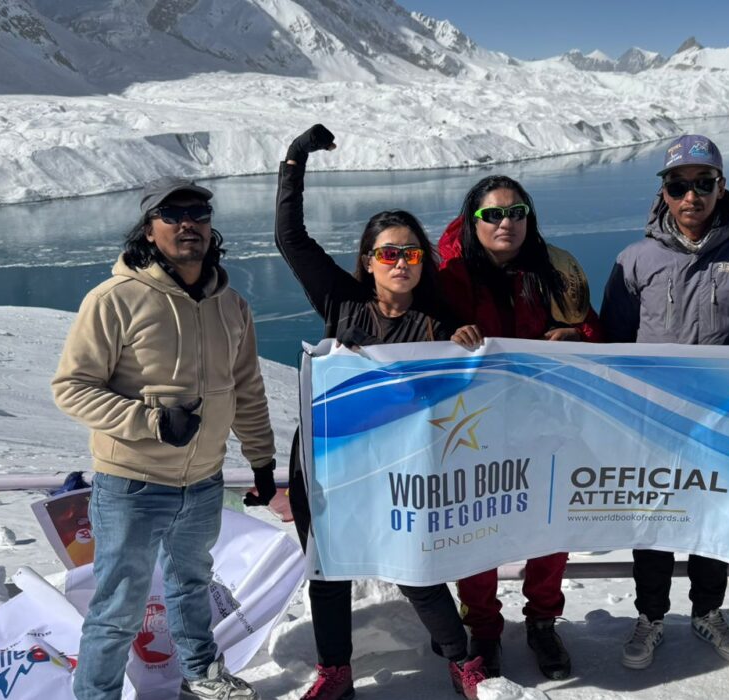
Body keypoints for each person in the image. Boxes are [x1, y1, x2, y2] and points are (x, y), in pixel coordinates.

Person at [275, 124, 487, 700]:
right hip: (325, 459)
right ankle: (335, 671)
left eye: (411, 253)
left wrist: (465, 347)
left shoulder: (439, 329)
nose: (401, 262)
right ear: (368, 261)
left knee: (412, 560)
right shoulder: (341, 302)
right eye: (388, 253)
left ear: (423, 263)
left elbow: (460, 395)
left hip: (396, 464)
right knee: (329, 565)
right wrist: (296, 160)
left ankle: (461, 660)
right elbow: (291, 239)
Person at [52, 176, 277, 699]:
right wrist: (150, 422)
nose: (187, 224)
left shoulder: (231, 304)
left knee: (192, 587)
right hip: (132, 484)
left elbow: (246, 388)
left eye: (197, 212)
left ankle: (202, 676)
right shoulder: (115, 299)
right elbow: (71, 388)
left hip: (201, 482)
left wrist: (262, 460)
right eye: (172, 215)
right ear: (149, 230)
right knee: (118, 609)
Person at [600, 134, 729, 671]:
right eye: (678, 185)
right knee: (653, 518)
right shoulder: (635, 260)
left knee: (714, 519)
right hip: (652, 422)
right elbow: (613, 345)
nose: (691, 197)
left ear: (721, 187)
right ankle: (651, 615)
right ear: (663, 192)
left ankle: (708, 611)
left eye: (702, 184)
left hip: (725, 421)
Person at [438, 174, 602, 680]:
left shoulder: (554, 269)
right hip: (472, 424)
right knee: (475, 524)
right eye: (492, 215)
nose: (505, 222)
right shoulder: (448, 272)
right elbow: (419, 327)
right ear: (472, 220)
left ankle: (542, 622)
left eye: (516, 213)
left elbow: (593, 331)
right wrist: (448, 335)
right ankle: (484, 629)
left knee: (551, 524)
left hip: (545, 420)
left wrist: (576, 335)